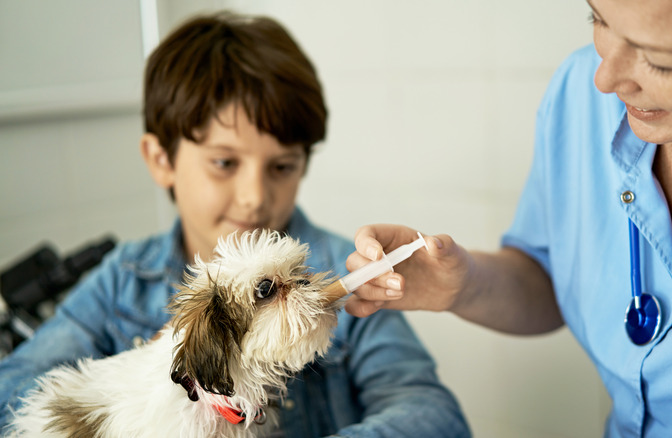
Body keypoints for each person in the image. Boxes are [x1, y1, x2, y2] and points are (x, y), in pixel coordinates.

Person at [0, 12, 470, 437]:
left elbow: (432, 413)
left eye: (281, 166)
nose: (254, 196)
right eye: (224, 162)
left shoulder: (345, 269)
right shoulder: (122, 281)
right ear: (161, 159)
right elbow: (14, 390)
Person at [344, 0, 672, 436]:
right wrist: (464, 285)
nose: (605, 79)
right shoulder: (579, 93)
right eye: (600, 20)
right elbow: (552, 275)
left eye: (660, 62)